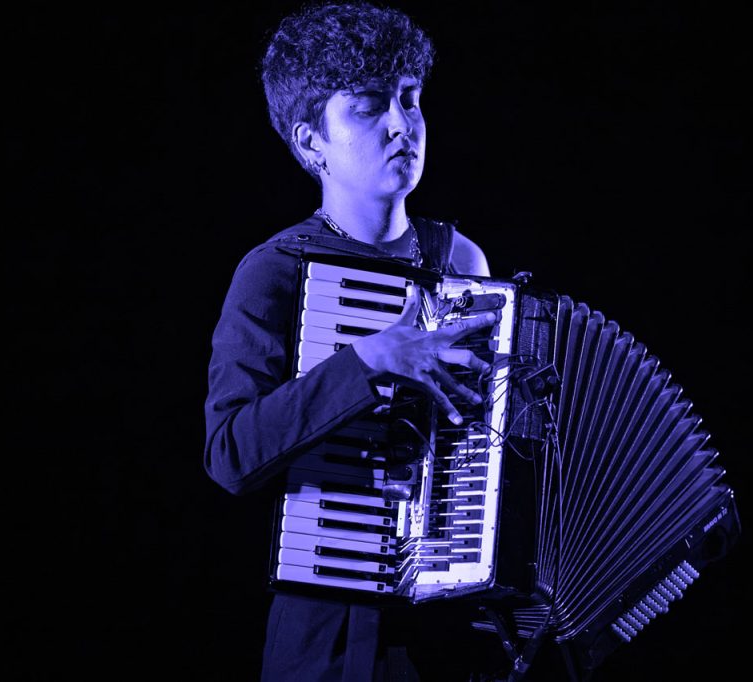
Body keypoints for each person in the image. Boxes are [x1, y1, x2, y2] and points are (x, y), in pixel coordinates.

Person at [203, 3, 503, 679]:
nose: (401, 125)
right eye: (369, 106)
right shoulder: (275, 270)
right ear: (312, 142)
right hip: (330, 639)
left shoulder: (463, 262)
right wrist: (367, 360)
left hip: (447, 637)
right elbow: (229, 454)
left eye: (410, 99)